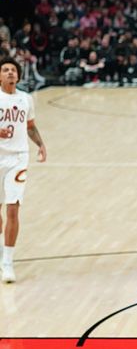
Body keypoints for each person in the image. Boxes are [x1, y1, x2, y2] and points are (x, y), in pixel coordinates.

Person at [0, 57, 47, 283]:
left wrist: (40, 144)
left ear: (18, 76)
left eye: (13, 70)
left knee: (13, 209)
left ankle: (8, 262)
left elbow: (30, 126)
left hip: (18, 158)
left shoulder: (26, 99)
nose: (10, 72)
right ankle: (2, 252)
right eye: (5, 70)